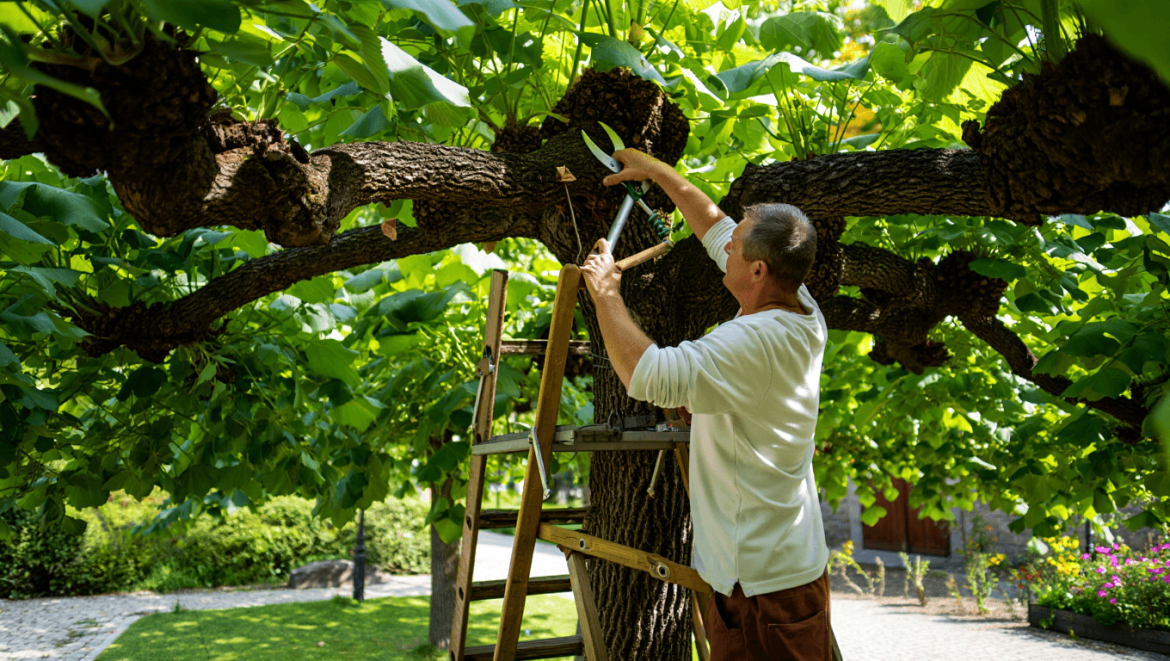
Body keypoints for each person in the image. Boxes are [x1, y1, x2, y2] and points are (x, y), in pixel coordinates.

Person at [579, 149, 832, 661]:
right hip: (780, 569)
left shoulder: (752, 341)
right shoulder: (800, 303)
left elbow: (646, 376)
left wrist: (606, 293)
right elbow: (717, 229)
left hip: (761, 590)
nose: (727, 244)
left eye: (738, 246)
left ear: (757, 270)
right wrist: (656, 173)